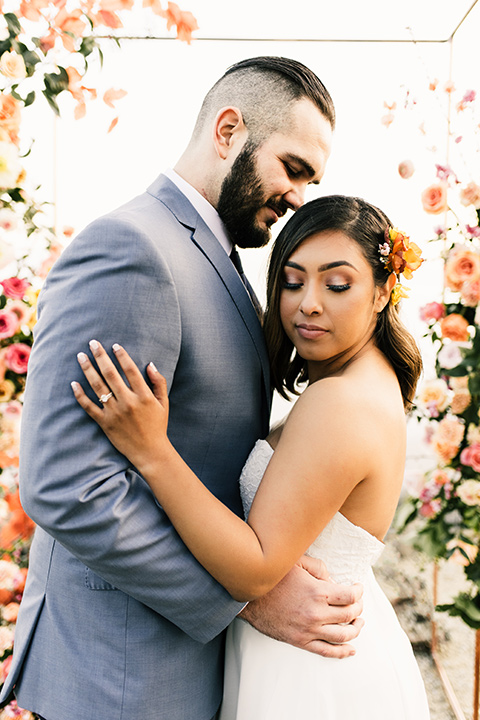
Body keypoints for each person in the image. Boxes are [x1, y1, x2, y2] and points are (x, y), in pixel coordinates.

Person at [0, 58, 364, 720]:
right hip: (121, 677)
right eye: (293, 168)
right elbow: (65, 484)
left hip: (178, 670)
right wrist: (246, 596)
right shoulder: (132, 249)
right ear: (229, 129)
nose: (298, 198)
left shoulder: (217, 253)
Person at [72, 195, 431, 719]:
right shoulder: (366, 381)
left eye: (336, 284)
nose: (308, 303)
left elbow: (254, 570)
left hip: (312, 675)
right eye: (291, 281)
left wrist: (151, 451)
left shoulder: (341, 401)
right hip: (313, 651)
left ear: (382, 292)